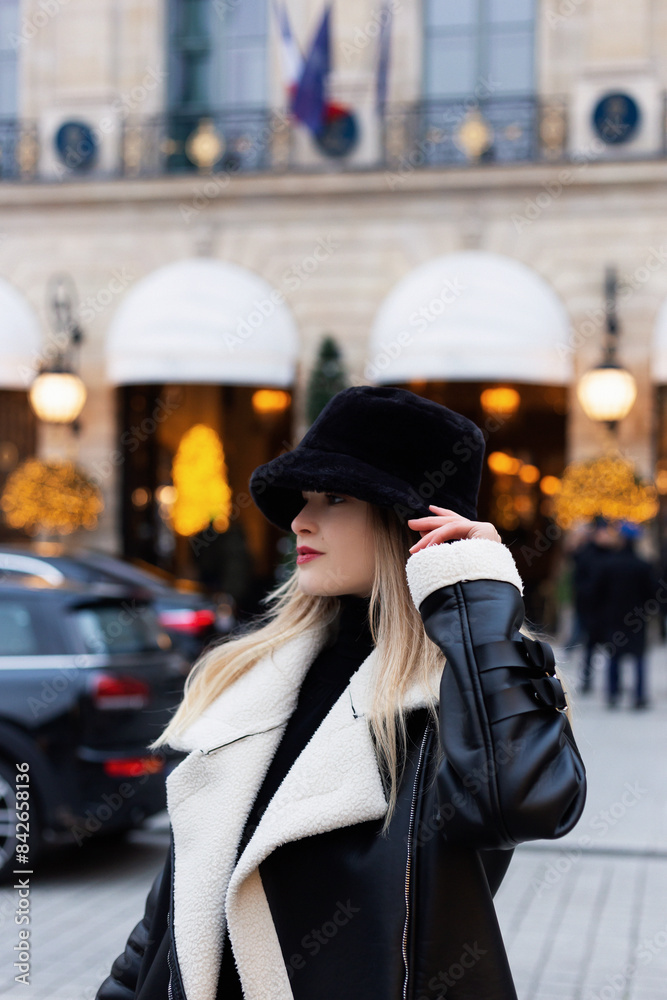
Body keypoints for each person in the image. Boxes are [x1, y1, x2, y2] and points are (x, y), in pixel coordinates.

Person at [96, 386, 587, 1000]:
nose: (301, 521)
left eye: (334, 498)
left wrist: (477, 596)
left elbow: (523, 803)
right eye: (305, 499)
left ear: (413, 525)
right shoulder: (252, 674)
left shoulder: (462, 688)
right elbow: (168, 917)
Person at [589, 521, 657, 709]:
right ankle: (639, 696)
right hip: (637, 618)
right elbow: (652, 593)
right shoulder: (643, 566)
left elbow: (596, 591)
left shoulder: (608, 564)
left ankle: (613, 693)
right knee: (639, 657)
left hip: (613, 616)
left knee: (614, 655)